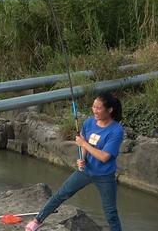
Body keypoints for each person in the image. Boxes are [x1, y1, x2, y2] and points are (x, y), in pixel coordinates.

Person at [25, 92, 125, 231]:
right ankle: (37, 220)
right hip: (86, 170)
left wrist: (84, 144)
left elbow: (104, 157)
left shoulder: (116, 131)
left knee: (111, 213)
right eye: (93, 106)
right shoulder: (89, 122)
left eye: (98, 108)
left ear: (109, 110)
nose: (94, 110)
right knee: (61, 194)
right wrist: (81, 159)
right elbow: (84, 140)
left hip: (105, 176)